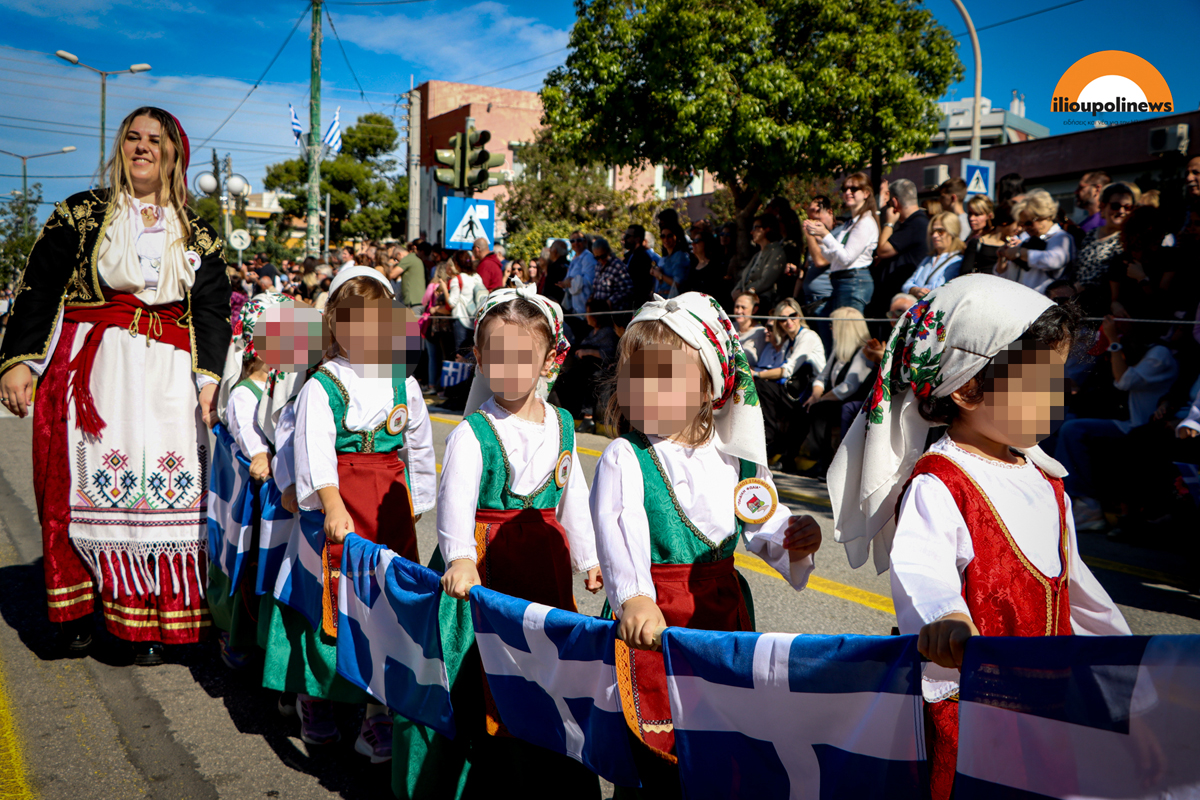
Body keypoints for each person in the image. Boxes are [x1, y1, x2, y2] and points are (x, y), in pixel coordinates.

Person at [828, 275, 1132, 800]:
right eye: (1042, 381)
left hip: (1052, 706)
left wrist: (1131, 666)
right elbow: (923, 569)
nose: (1061, 393)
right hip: (978, 714)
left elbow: (1079, 594)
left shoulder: (1047, 478)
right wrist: (947, 615)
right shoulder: (941, 481)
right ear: (968, 388)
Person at [0, 107, 230, 665]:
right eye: (133, 137)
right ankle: (78, 614)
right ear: (119, 147)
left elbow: (212, 312)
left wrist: (209, 383)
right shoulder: (79, 214)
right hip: (95, 369)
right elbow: (37, 289)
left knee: (162, 496)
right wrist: (18, 362)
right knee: (84, 491)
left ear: (174, 154)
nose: (143, 147)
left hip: (169, 376)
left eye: (156, 140)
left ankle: (150, 621)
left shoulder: (199, 233)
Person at [591, 291, 821, 795]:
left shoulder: (734, 458)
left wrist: (794, 538)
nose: (646, 389)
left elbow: (761, 519)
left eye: (665, 377)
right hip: (659, 617)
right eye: (635, 375)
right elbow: (616, 528)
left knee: (728, 739)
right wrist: (632, 595)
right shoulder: (625, 457)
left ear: (708, 388)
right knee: (661, 741)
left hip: (724, 615)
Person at [409, 288, 602, 798]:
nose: (510, 368)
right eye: (495, 356)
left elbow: (572, 494)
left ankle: (543, 767)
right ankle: (484, 775)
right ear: (478, 358)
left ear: (548, 360)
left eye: (524, 357)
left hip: (544, 564)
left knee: (542, 668)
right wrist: (459, 558)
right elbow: (455, 501)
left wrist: (588, 556)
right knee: (484, 673)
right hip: (487, 563)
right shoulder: (474, 431)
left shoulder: (562, 422)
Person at [265, 267, 435, 757]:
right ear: (334, 326)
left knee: (385, 605)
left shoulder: (402, 383)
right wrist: (331, 503)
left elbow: (419, 448)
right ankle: (314, 695)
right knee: (332, 602)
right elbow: (313, 447)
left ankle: (376, 711)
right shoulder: (323, 384)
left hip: (388, 503)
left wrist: (418, 503)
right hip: (340, 502)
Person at [1054, 316, 1179, 531]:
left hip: (1142, 428)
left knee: (1073, 429)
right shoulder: (1136, 348)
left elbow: (1123, 381)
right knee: (1060, 421)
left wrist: (1113, 340)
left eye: (1118, 320)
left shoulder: (1160, 353)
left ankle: (1088, 506)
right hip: (1124, 421)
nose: (1113, 325)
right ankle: (1057, 495)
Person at [802, 307, 875, 479]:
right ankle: (813, 460)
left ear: (845, 327)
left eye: (833, 325)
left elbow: (849, 387)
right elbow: (823, 376)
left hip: (853, 401)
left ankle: (825, 463)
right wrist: (816, 394)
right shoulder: (840, 349)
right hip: (834, 400)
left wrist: (820, 400)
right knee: (808, 405)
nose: (831, 328)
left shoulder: (862, 352)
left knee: (820, 410)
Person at [751, 298, 826, 466]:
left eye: (792, 316)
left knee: (762, 386)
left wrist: (756, 374)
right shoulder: (789, 340)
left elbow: (787, 370)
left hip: (811, 389)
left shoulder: (807, 336)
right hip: (794, 388)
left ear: (799, 315)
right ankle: (767, 443)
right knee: (761, 388)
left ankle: (769, 443)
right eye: (782, 319)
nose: (788, 321)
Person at [806, 172, 879, 315]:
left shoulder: (865, 222)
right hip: (842, 282)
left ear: (866, 193)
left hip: (853, 282)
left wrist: (826, 235)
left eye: (853, 189)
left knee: (848, 334)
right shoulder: (850, 224)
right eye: (845, 189)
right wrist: (820, 239)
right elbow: (832, 257)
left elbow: (846, 258)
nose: (847, 192)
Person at [1072, 182, 1139, 314]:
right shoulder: (1092, 234)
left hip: (1107, 308)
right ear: (1103, 206)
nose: (1121, 211)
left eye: (1127, 207)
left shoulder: (1129, 241)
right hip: (1080, 305)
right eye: (1115, 206)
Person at [870, 178, 929, 325]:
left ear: (895, 202)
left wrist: (889, 223)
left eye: (889, 204)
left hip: (901, 301)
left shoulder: (915, 224)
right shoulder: (915, 222)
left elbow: (883, 249)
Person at [997, 189, 1076, 293]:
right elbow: (1009, 277)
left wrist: (1020, 253)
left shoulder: (1061, 237)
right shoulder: (1026, 239)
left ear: (1045, 216)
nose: (1025, 228)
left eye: (1029, 223)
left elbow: (1054, 260)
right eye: (1022, 224)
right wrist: (1002, 260)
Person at [732, 214, 788, 312]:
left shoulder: (776, 252)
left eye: (755, 227)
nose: (752, 232)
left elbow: (766, 281)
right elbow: (744, 278)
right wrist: (735, 291)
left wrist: (744, 293)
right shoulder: (757, 254)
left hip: (763, 304)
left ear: (767, 229)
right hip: (747, 302)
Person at [902, 212, 966, 298]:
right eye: (932, 231)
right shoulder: (928, 259)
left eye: (940, 231)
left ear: (952, 232)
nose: (935, 236)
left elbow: (940, 287)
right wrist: (915, 290)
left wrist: (915, 289)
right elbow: (906, 285)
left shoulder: (957, 260)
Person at [678, 219, 731, 305]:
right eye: (692, 241)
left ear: (706, 243)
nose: (693, 244)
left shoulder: (715, 267)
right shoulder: (692, 266)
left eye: (697, 241)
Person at [959, 200, 1017, 276]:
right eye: (1017, 224)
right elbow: (965, 273)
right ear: (1005, 222)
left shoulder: (1015, 245)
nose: (1019, 228)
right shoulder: (977, 242)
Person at [445, 250, 485, 355]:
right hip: (475, 320)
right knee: (473, 353)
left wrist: (444, 289)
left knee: (460, 353)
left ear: (456, 264)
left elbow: (452, 303)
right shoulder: (477, 277)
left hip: (461, 320)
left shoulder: (457, 279)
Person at [798, 195, 835, 309]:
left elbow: (820, 261)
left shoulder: (837, 235)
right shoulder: (814, 239)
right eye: (810, 219)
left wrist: (809, 235)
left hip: (825, 299)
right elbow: (805, 269)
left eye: (817, 219)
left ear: (829, 212)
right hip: (808, 298)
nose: (813, 224)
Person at [561, 231, 597, 330]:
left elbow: (589, 281)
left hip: (585, 310)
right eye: (572, 241)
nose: (575, 243)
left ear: (585, 242)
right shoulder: (575, 259)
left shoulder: (588, 258)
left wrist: (571, 281)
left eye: (579, 240)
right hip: (575, 309)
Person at [589, 235, 634, 310]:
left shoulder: (618, 266)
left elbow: (628, 289)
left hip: (614, 312)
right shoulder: (598, 266)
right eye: (596, 257)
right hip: (600, 312)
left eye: (602, 256)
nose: (600, 260)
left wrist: (610, 301)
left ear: (608, 251)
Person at [651, 221, 691, 297]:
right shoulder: (666, 258)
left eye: (669, 236)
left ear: (676, 237)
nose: (666, 239)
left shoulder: (680, 256)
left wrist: (660, 275)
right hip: (663, 297)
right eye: (663, 236)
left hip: (674, 300)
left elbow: (677, 283)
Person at [732, 290, 768, 368]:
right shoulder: (730, 327)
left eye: (743, 307)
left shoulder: (760, 332)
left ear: (754, 310)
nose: (739, 311)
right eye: (737, 307)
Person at [624, 224, 656, 307]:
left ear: (637, 239)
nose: (625, 239)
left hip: (638, 303)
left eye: (628, 236)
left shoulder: (643, 258)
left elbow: (643, 285)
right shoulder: (629, 255)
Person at [542, 239, 570, 305]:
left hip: (555, 302)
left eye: (551, 248)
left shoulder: (555, 267)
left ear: (555, 251)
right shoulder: (569, 264)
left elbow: (550, 287)